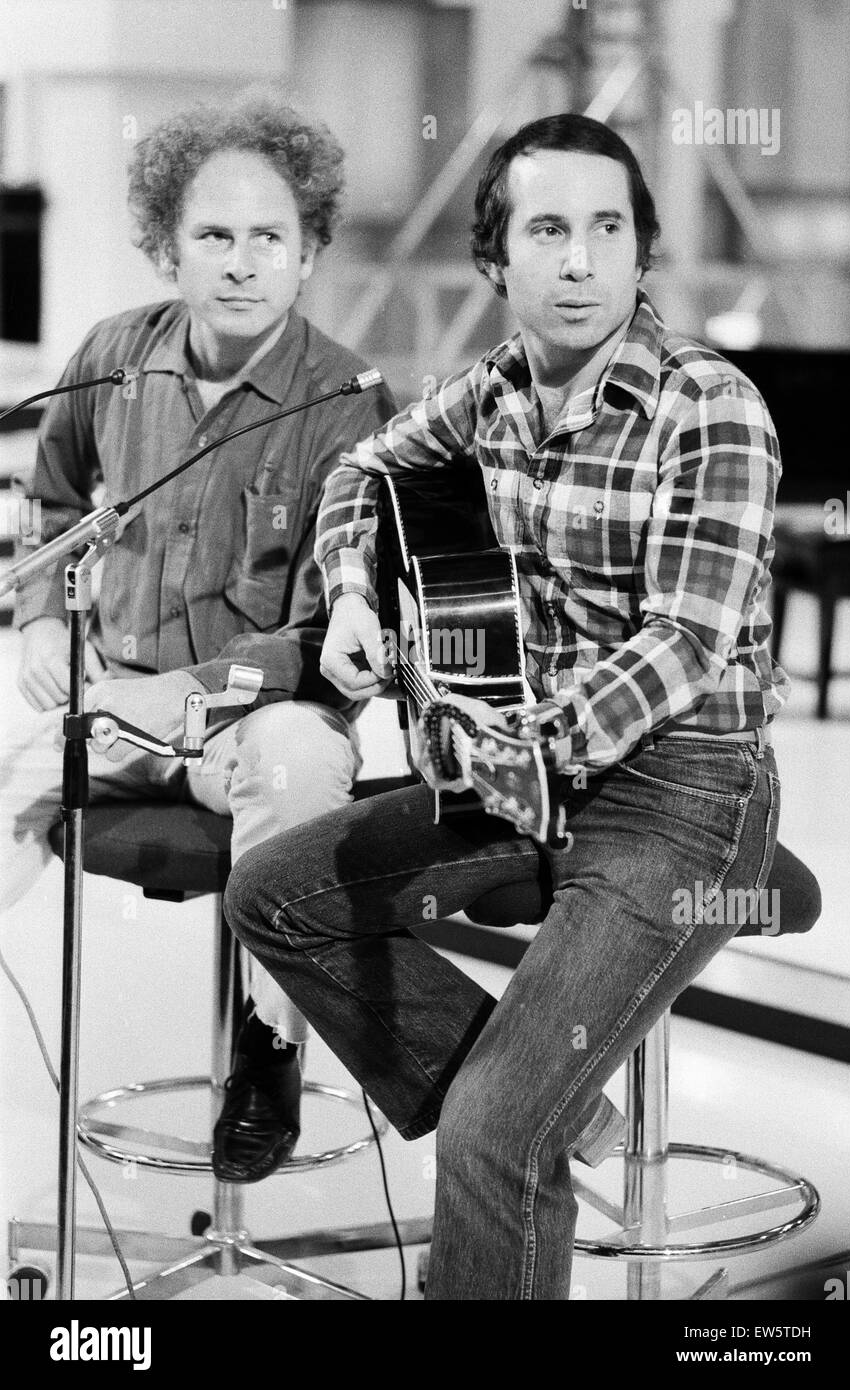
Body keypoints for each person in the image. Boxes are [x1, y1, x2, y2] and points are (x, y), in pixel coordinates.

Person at [224, 113, 789, 1297]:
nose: (579, 260)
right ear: (497, 259)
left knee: (487, 1131)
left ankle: (517, 1116)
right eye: (547, 229)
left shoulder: (710, 403)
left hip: (684, 792)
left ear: (642, 255)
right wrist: (351, 601)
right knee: (272, 896)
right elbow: (359, 470)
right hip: (522, 773)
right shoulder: (488, 395)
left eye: (606, 230)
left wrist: (513, 748)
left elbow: (685, 642)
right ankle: (547, 1104)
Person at [3, 93, 395, 1184]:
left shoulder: (348, 401)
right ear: (166, 247)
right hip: (112, 708)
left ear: (310, 249)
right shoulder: (111, 355)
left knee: (299, 758)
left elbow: (330, 628)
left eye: (269, 236)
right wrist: (40, 614)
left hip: (251, 727)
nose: (240, 261)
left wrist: (178, 689)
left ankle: (266, 1051)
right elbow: (49, 493)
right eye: (212, 236)